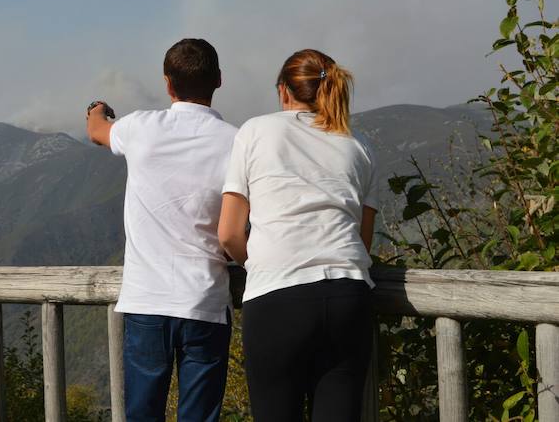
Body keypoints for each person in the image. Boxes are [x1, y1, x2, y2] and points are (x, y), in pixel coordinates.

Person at [218, 48, 378, 422]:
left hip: (277, 298)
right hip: (348, 294)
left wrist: (257, 262)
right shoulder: (360, 145)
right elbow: (363, 241)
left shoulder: (256, 131)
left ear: (283, 92)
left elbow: (227, 233)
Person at [86, 38, 237, 422]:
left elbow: (97, 131)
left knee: (142, 414)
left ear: (168, 83)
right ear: (218, 80)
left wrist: (97, 110)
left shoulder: (140, 127)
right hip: (205, 300)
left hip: (147, 301)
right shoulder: (238, 142)